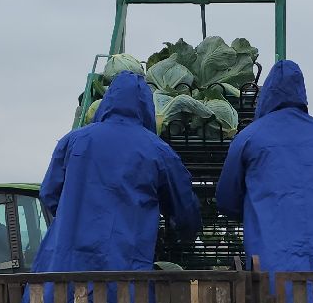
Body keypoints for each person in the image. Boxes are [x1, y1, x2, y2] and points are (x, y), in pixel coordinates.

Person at [31, 70, 201, 272]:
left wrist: (74, 218)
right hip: (125, 272)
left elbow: (49, 194)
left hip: (64, 271)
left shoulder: (74, 141)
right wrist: (184, 234)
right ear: (146, 106)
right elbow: (184, 210)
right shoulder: (158, 151)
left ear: (108, 101)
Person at [216, 59, 313, 273]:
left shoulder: (248, 139)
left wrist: (257, 210)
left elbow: (227, 199)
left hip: (272, 267)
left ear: (267, 96)